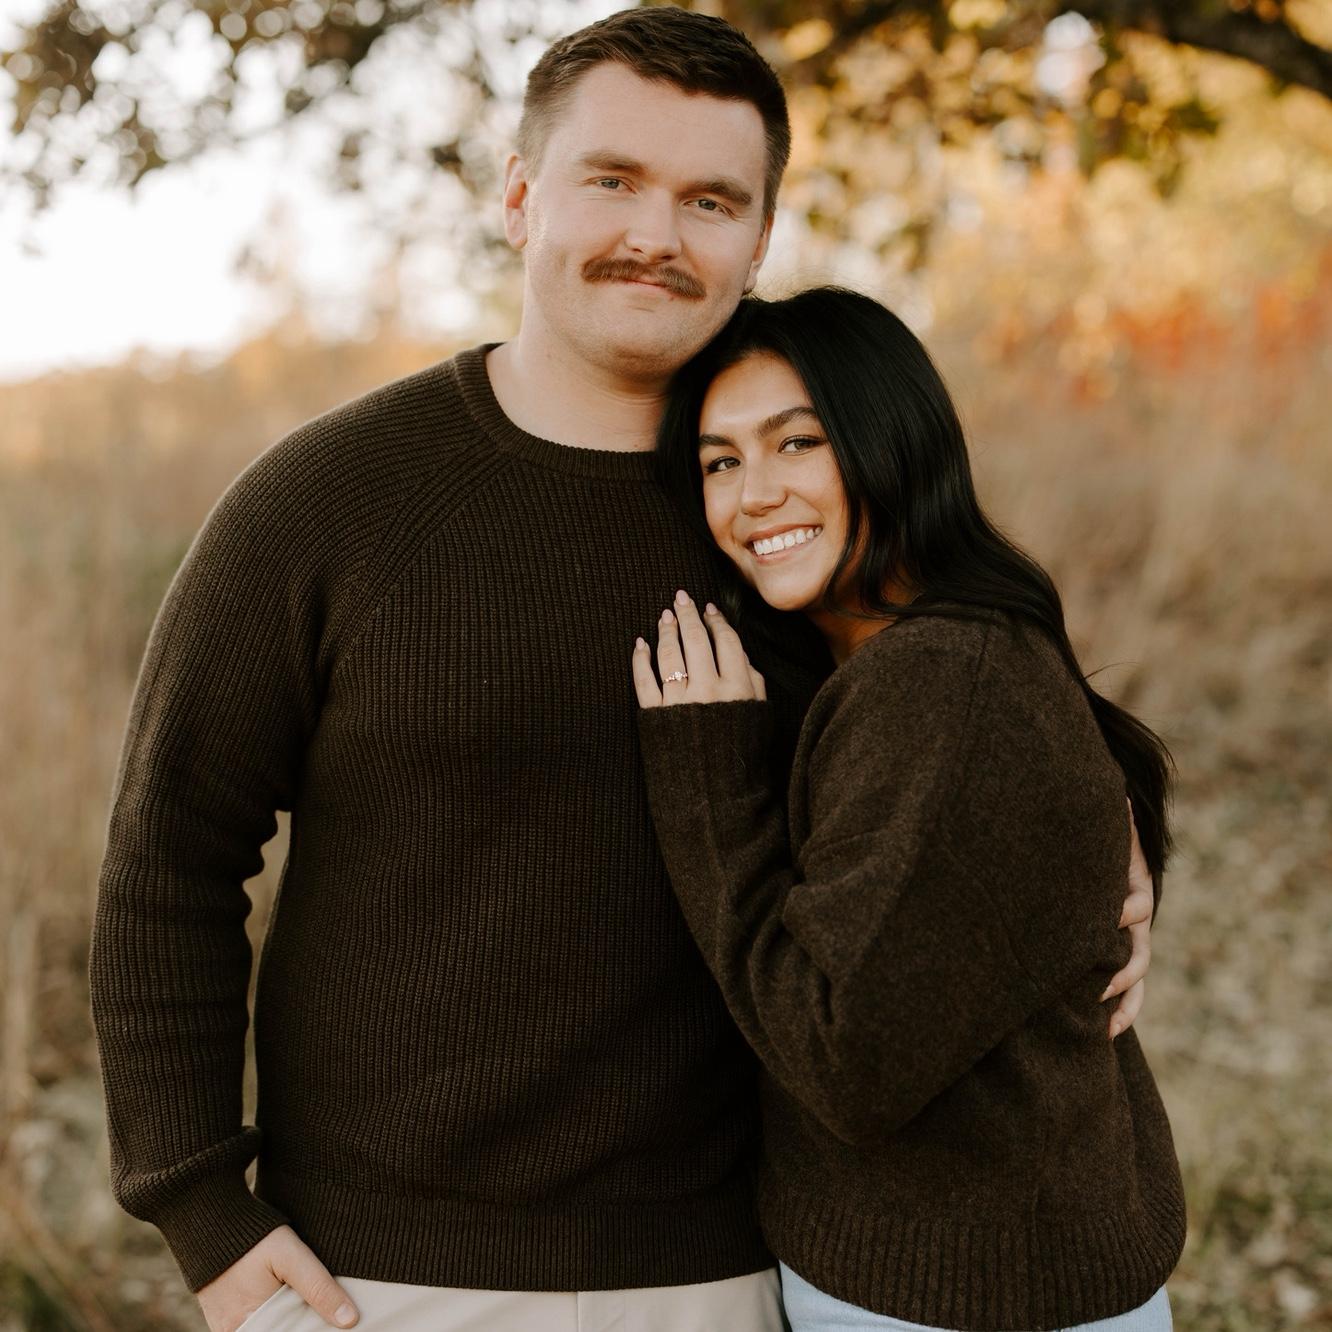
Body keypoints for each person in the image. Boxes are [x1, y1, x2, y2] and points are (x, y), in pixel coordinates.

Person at [90, 8, 1153, 1331]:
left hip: (736, 1267)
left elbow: (969, 728)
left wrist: (1107, 854)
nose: (658, 233)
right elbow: (169, 859)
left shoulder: (792, 524)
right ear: (519, 198)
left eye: (710, 199)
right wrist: (201, 1208)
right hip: (383, 1273)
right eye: (612, 181)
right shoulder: (325, 503)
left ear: (758, 239)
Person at [631, 286, 1186, 1332]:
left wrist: (711, 792)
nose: (755, 496)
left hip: (965, 1298)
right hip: (965, 1272)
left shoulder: (937, 683)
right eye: (719, 462)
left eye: (798, 443)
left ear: (891, 440)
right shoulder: (915, 660)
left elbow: (847, 1064)